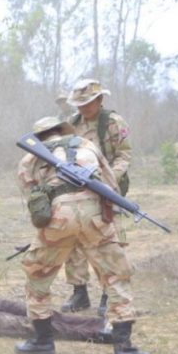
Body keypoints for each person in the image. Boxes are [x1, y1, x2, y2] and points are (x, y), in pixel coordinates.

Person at [15, 116, 151, 354]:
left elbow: (34, 200)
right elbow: (111, 186)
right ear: (63, 130)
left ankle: (42, 341)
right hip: (95, 218)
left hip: (57, 219)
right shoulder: (87, 145)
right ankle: (124, 349)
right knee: (116, 278)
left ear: (40, 137)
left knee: (38, 277)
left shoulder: (29, 159)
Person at [61, 79, 133, 317]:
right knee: (74, 239)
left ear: (100, 100)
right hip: (77, 190)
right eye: (79, 104)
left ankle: (107, 293)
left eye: (88, 103)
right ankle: (79, 292)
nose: (83, 108)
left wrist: (107, 180)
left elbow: (124, 156)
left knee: (108, 242)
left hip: (107, 191)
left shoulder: (113, 122)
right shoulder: (72, 124)